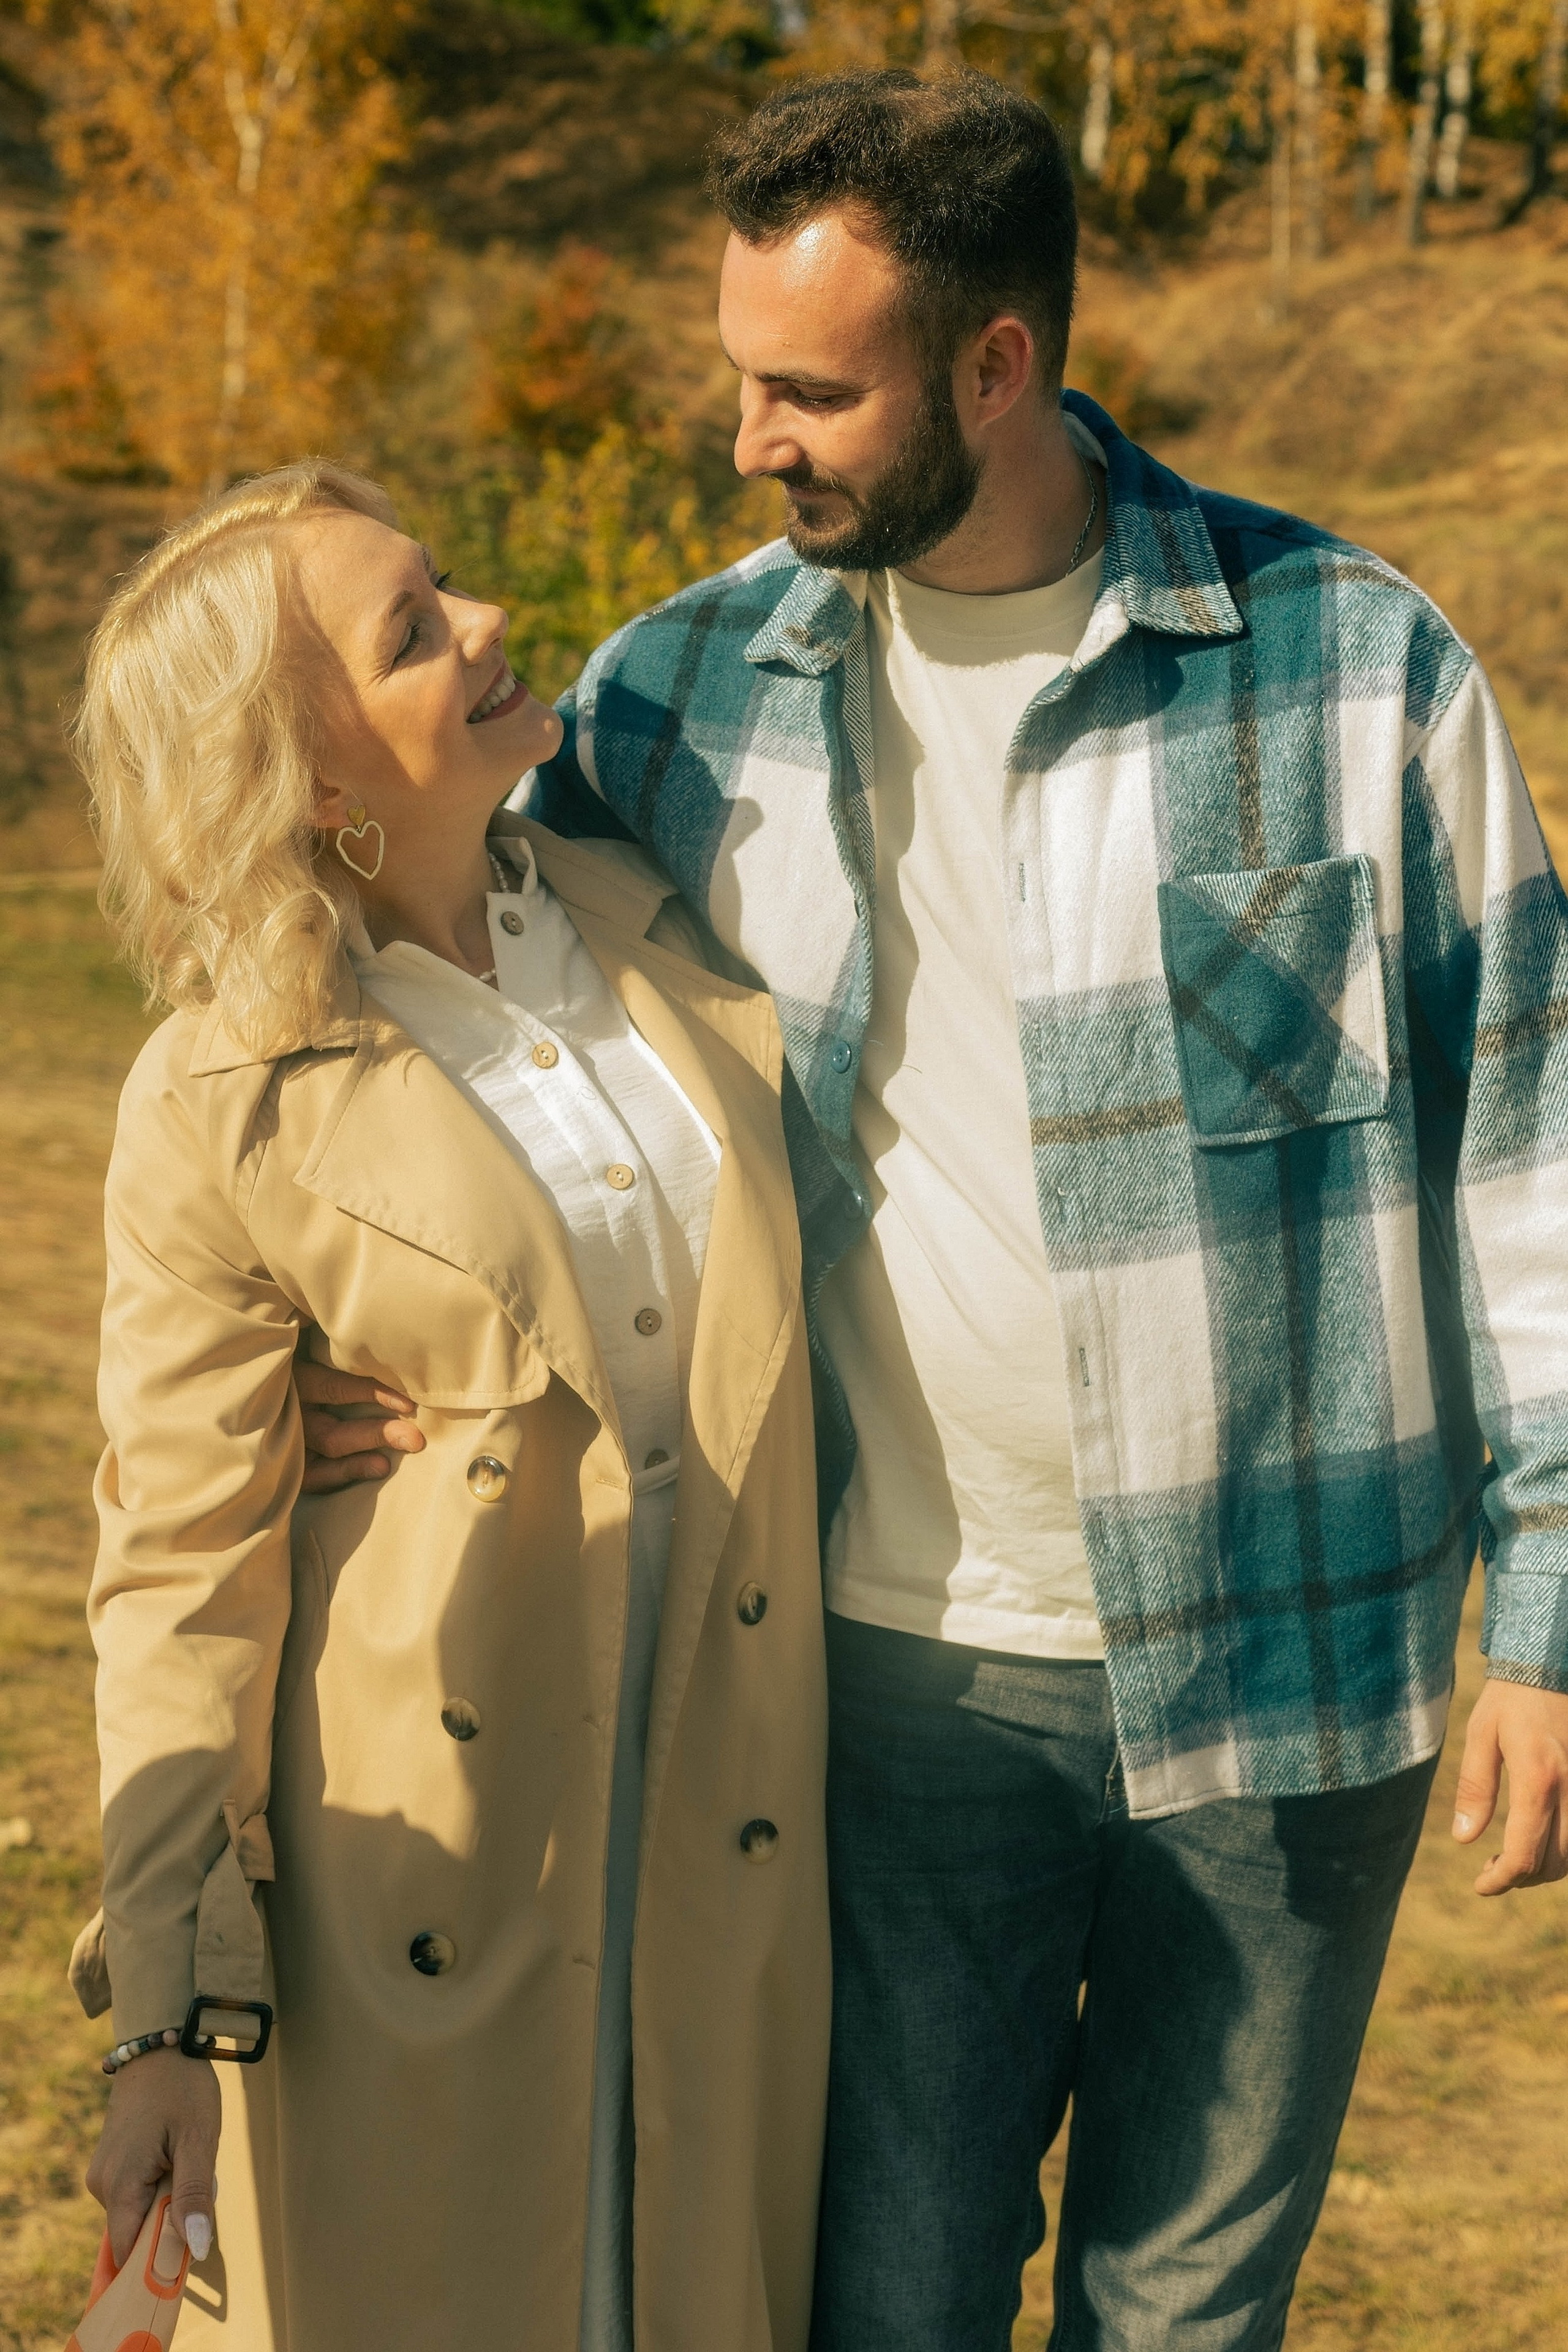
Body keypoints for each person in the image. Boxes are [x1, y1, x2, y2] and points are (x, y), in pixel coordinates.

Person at [297, 68, 1568, 2352]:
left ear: (1002, 363)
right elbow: (426, 1005)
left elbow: (1533, 1149)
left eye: (813, 390)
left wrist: (1552, 1613)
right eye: (738, 380)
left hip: (1305, 1677)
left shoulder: (1365, 669)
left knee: (1188, 2317)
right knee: (884, 2300)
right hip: (875, 1674)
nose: (755, 437)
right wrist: (318, 1344)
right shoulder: (674, 701)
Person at [69, 460, 828, 2352]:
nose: (488, 624)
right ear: (311, 781)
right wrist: (163, 2011)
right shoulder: (218, 1095)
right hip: (431, 1868)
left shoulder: (649, 924)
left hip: (720, 1829)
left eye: (444, 587)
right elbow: (176, 1569)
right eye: (414, 631)